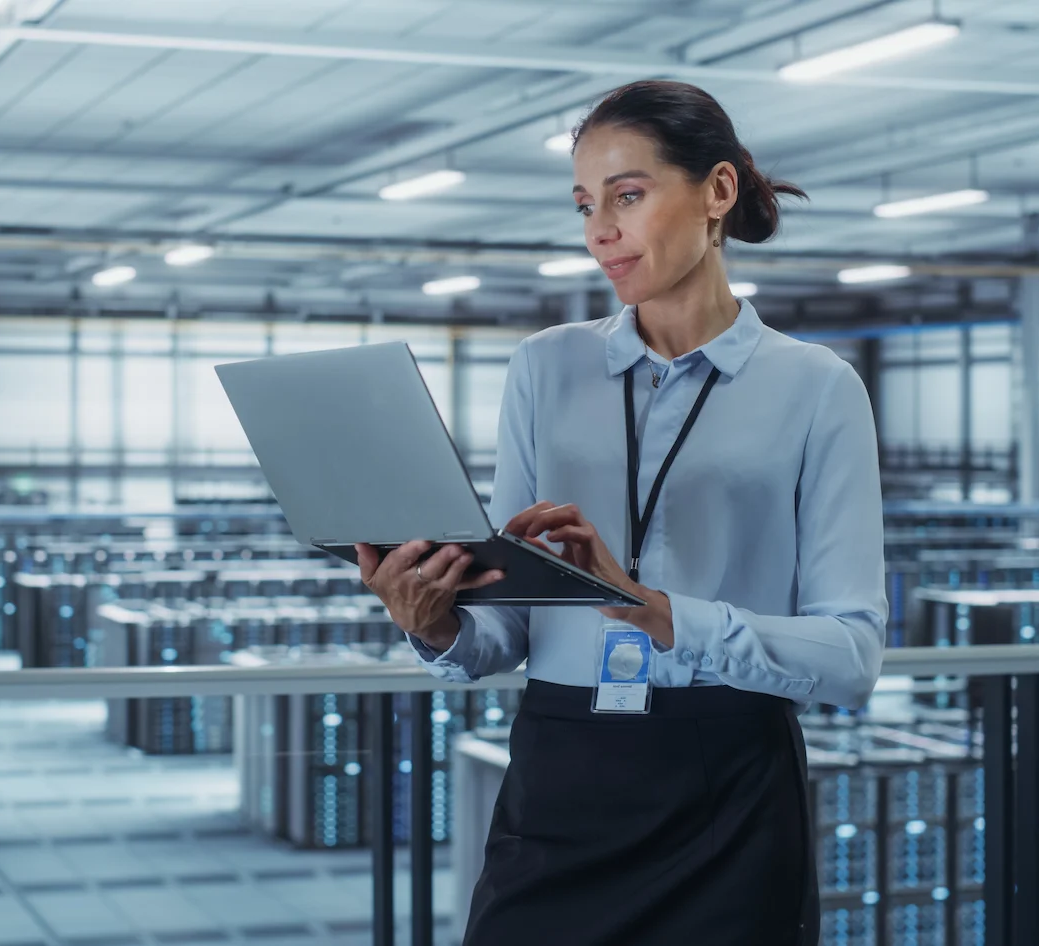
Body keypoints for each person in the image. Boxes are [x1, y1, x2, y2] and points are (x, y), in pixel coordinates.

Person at [355, 79, 886, 946]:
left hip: (730, 791)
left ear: (717, 192)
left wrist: (658, 613)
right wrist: (439, 625)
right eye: (584, 204)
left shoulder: (818, 388)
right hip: (564, 776)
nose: (600, 229)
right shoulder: (544, 369)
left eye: (628, 196)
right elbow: (505, 631)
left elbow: (853, 656)